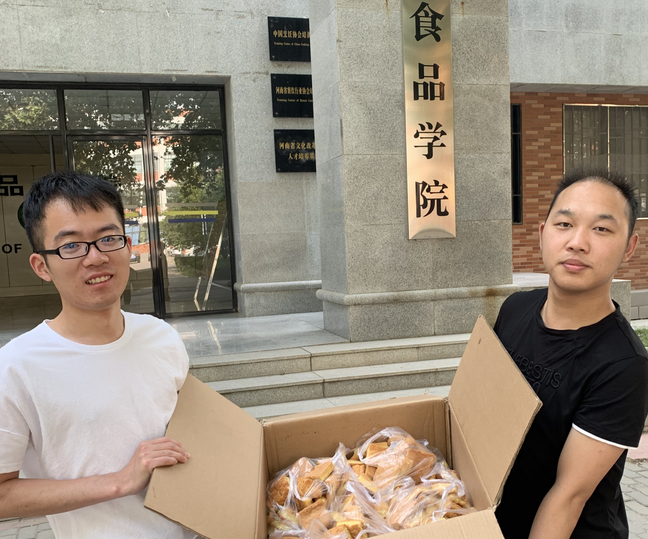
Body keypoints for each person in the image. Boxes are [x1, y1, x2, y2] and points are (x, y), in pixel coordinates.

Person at [0, 172, 195, 538]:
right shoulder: (15, 367)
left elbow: (192, 433)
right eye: (71, 246)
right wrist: (120, 481)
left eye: (108, 238)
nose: (96, 257)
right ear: (42, 266)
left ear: (128, 244)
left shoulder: (162, 337)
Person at [494, 169, 648, 538]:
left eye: (601, 229)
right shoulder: (515, 309)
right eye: (564, 224)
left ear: (629, 247)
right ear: (543, 234)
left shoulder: (624, 365)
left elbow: (569, 496)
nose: (577, 242)